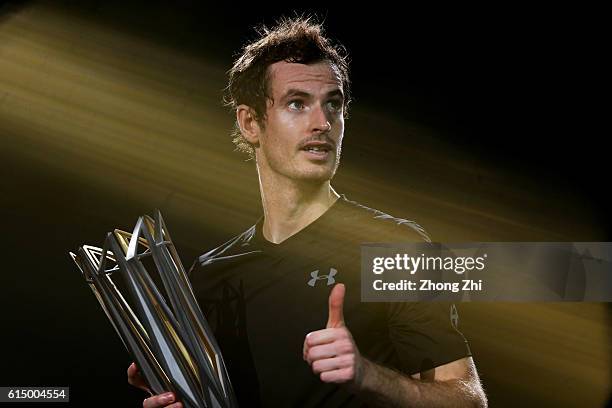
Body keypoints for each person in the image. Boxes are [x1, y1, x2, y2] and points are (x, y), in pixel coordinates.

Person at [128, 16, 487, 408]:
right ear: (250, 122)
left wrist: (368, 376)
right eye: (297, 103)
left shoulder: (399, 247)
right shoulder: (212, 273)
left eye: (333, 105)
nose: (322, 123)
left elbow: (467, 400)